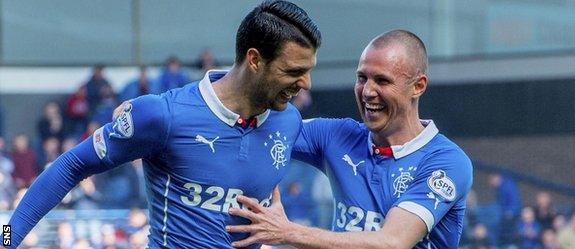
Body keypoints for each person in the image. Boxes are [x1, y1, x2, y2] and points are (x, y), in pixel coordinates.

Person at [8, 1, 321, 248]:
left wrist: (290, 232)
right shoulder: (163, 116)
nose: (305, 83)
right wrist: (6, 240)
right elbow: (71, 166)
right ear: (254, 60)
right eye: (294, 71)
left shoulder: (289, 121)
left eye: (308, 71)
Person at [227, 30, 473, 248]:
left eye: (382, 80)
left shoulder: (446, 163)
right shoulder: (337, 136)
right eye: (362, 78)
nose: (367, 91)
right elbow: (258, 127)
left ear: (418, 86)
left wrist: (287, 232)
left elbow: (392, 243)